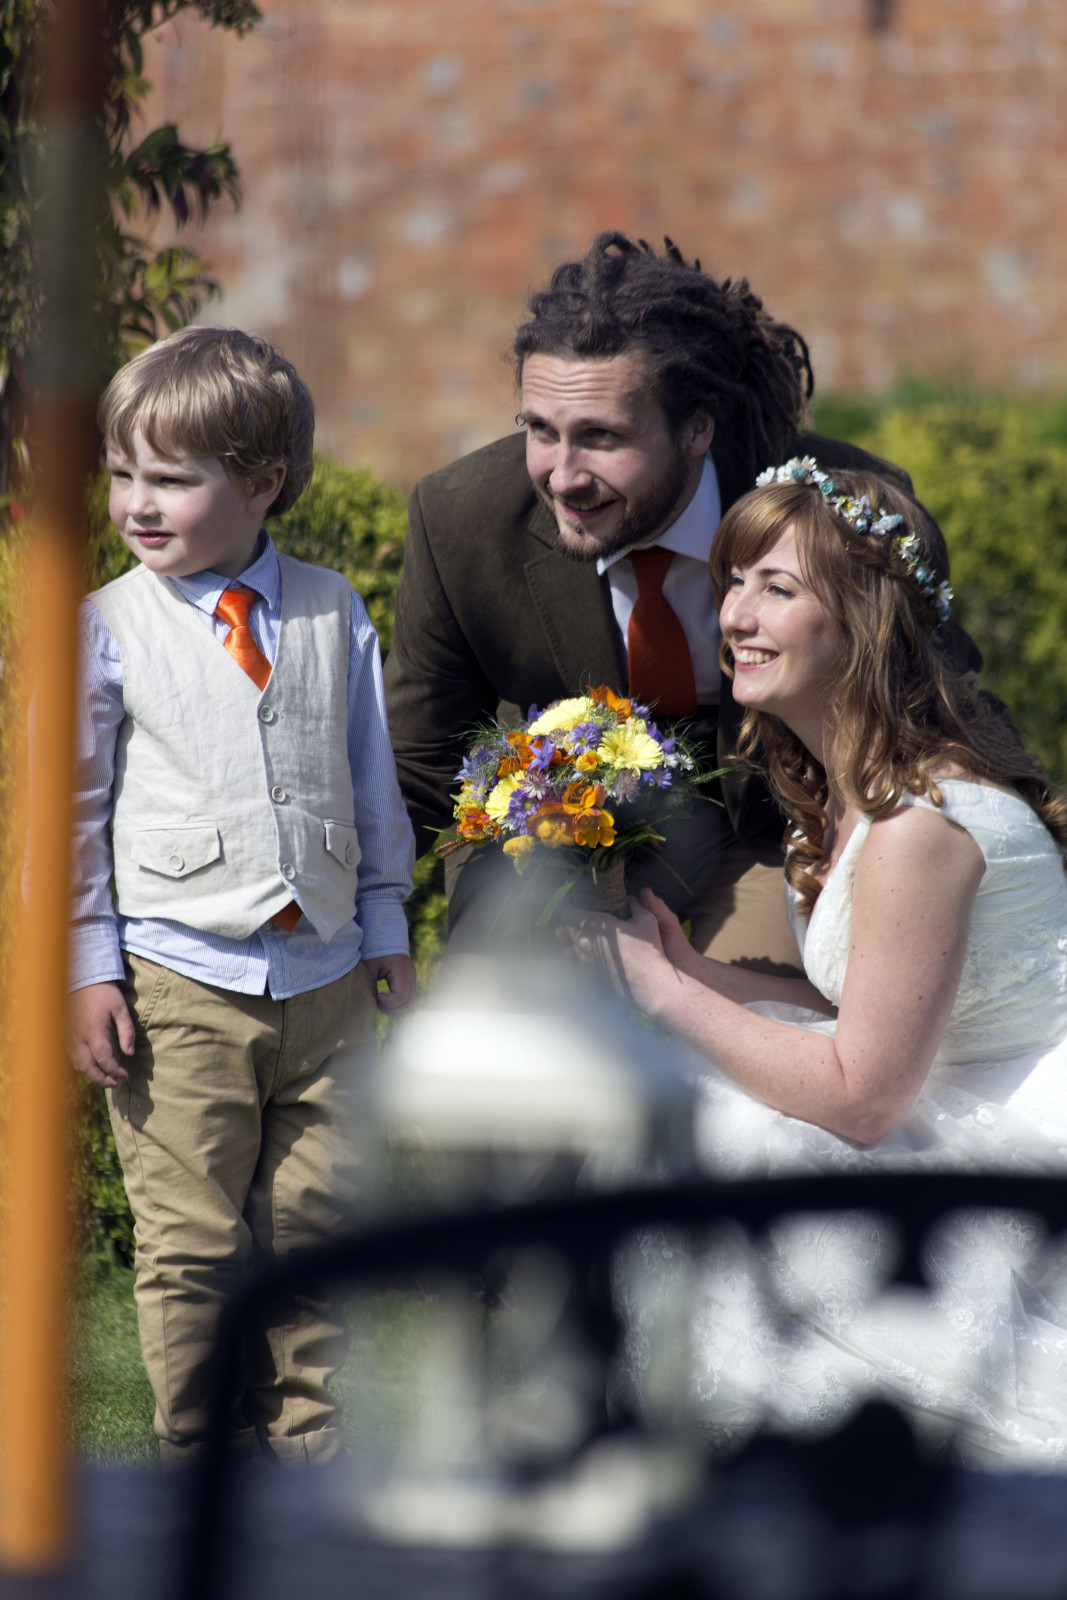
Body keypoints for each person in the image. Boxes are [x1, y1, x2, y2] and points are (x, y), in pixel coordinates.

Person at [565, 459, 1067, 1465]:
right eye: (733, 581)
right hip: (931, 1093)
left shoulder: (922, 823)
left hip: (1015, 1142)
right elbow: (846, 996)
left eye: (776, 588)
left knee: (722, 1130)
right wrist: (683, 964)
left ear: (861, 622)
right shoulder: (846, 790)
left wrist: (664, 994)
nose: (735, 615)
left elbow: (862, 1097)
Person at [384, 232, 981, 974]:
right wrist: (353, 916)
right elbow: (419, 762)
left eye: (601, 437)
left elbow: (938, 703)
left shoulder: (832, 500)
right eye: (540, 430)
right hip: (550, 841)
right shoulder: (460, 517)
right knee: (511, 1025)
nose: (562, 477)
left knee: (764, 1011)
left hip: (776, 827)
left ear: (697, 427)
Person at [67, 326, 417, 1464]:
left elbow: (370, 785)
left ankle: (307, 1451)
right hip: (179, 982)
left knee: (314, 1226)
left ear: (264, 483)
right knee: (193, 1246)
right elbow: (70, 815)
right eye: (122, 473)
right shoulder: (108, 627)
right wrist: (87, 964)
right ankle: (199, 1463)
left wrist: (384, 924)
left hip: (325, 979)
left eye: (171, 479)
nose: (137, 503)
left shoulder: (331, 608)